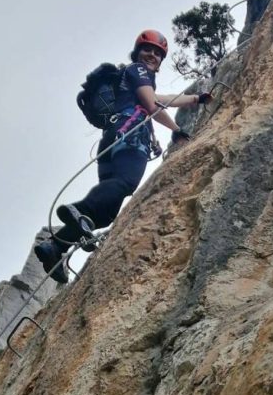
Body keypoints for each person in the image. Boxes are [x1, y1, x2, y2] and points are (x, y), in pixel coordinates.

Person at [34, 29, 212, 284]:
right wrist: (177, 131)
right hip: (129, 137)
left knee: (107, 212)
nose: (152, 55)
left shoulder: (132, 79)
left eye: (157, 53)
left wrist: (196, 98)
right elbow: (152, 106)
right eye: (147, 49)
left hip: (114, 140)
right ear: (138, 52)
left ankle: (55, 247)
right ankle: (78, 209)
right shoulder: (140, 71)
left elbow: (164, 99)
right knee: (125, 184)